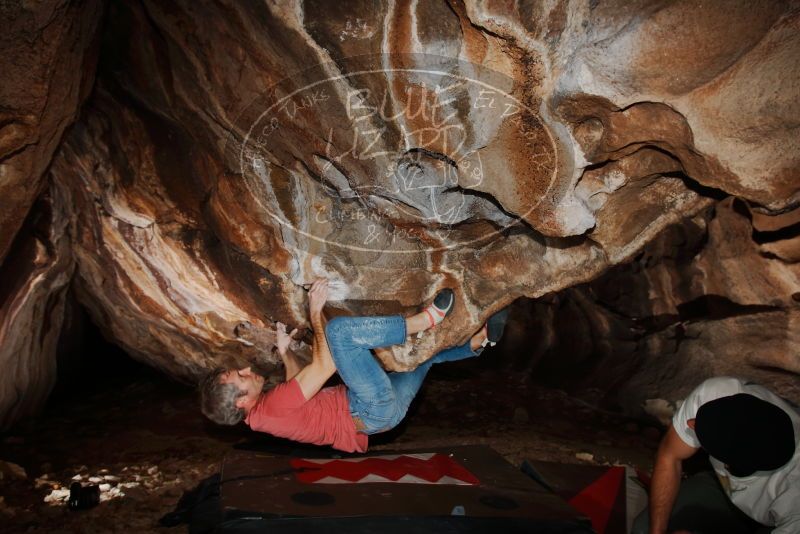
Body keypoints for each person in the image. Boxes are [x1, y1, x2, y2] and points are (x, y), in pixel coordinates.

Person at [200, 279, 509, 452]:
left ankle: (479, 344)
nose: (245, 371)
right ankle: (427, 320)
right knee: (340, 333)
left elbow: (300, 389)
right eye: (238, 377)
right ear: (241, 401)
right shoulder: (271, 409)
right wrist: (315, 312)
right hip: (367, 407)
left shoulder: (261, 415)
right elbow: (325, 365)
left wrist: (286, 352)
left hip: (382, 418)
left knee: (421, 358)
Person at [633, 376, 799, 534]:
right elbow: (669, 456)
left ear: (732, 461)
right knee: (642, 530)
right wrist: (657, 531)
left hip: (778, 521)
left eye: (704, 432)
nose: (691, 423)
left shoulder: (794, 498)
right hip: (722, 488)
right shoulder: (716, 394)